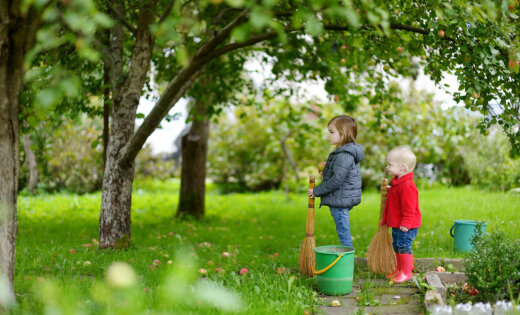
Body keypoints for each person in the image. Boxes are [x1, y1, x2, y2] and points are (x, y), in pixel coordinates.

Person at [307, 115, 364, 248]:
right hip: (342, 196)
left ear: (344, 134)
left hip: (340, 200)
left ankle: (347, 258)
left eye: (332, 132)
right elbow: (340, 175)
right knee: (343, 229)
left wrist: (317, 191)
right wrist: (324, 173)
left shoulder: (343, 155)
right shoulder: (343, 153)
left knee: (343, 231)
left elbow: (337, 180)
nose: (328, 135)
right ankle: (347, 256)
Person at [381, 146, 422, 283]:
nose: (387, 167)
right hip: (398, 223)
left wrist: (406, 223)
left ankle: (406, 272)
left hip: (406, 225)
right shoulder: (399, 183)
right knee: (397, 246)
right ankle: (400, 269)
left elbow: (409, 208)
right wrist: (391, 190)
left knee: (404, 246)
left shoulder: (407, 185)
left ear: (403, 166)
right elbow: (397, 197)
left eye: (390, 164)